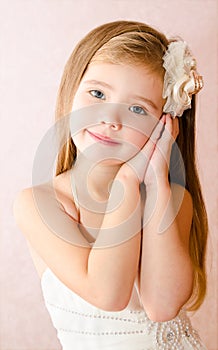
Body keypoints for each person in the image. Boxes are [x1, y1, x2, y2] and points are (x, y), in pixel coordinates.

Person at [13, 20, 208, 349]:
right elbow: (109, 293)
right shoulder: (42, 203)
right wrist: (129, 179)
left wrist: (156, 181)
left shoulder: (171, 199)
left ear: (165, 124)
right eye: (98, 93)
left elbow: (162, 307)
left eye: (137, 109)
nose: (111, 119)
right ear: (72, 89)